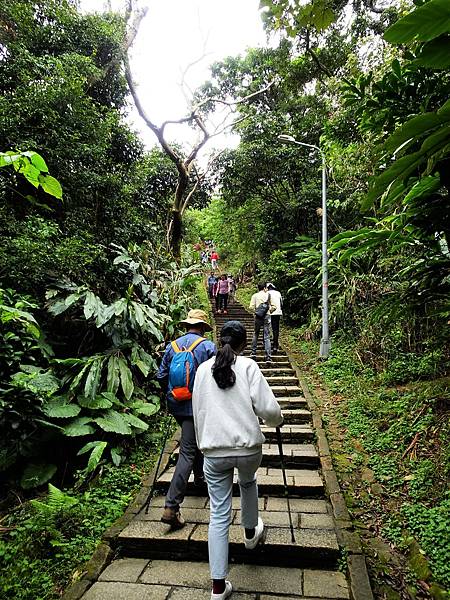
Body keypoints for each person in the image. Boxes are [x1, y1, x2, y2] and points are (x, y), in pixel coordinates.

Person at [192, 321, 283, 600]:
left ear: (221, 341)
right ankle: (249, 533)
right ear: (244, 344)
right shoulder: (248, 366)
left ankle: (218, 588)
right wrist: (277, 420)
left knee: (218, 514)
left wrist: (203, 443)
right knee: (248, 481)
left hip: (214, 449)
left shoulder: (202, 370)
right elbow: (268, 409)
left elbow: (198, 410)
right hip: (247, 448)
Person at [157, 309, 216, 529]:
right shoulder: (208, 347)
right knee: (188, 450)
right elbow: (216, 376)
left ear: (187, 326)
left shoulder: (172, 346)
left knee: (192, 442)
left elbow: (161, 375)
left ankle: (199, 479)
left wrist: (172, 393)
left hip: (176, 404)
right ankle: (171, 507)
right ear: (202, 327)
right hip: (197, 406)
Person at [249, 282, 276, 363]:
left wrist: (257, 311)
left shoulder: (255, 296)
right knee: (267, 336)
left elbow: (251, 307)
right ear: (264, 288)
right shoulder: (268, 295)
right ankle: (268, 356)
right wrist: (268, 311)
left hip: (258, 317)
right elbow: (274, 307)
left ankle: (253, 353)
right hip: (267, 316)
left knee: (256, 334)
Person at [266, 283, 283, 353]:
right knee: (276, 329)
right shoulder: (278, 293)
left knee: (268, 328)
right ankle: (275, 345)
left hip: (270, 312)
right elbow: (281, 303)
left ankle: (268, 345)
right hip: (278, 312)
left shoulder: (266, 293)